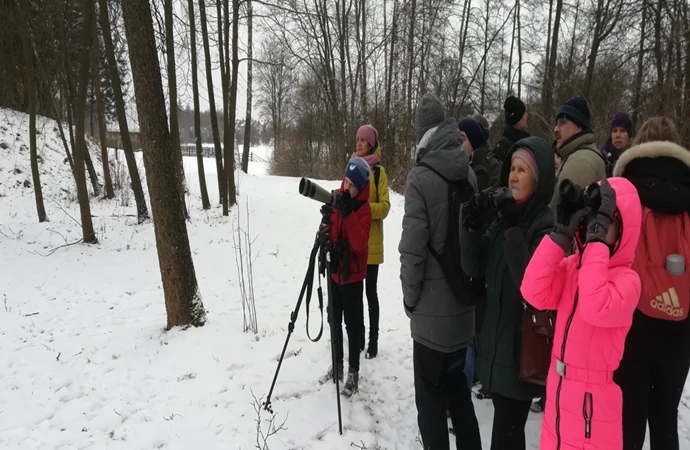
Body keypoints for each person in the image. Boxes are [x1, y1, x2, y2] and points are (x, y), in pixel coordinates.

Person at [521, 177, 642, 450]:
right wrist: (560, 235)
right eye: (590, 221)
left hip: (593, 416)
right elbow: (532, 291)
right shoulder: (574, 269)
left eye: (604, 221)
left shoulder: (628, 282)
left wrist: (595, 242)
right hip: (558, 404)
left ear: (624, 229)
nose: (592, 228)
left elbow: (594, 305)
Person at [461, 136, 555, 450]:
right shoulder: (503, 221)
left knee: (507, 433)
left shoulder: (545, 226)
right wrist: (471, 223)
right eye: (512, 168)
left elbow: (532, 284)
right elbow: (473, 266)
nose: (513, 176)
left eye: (522, 170)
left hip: (521, 353)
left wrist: (513, 226)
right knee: (506, 433)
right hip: (496, 349)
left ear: (539, 180)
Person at [399, 93, 481, 450]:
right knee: (459, 392)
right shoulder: (470, 174)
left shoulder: (419, 178)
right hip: (463, 309)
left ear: (422, 134)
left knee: (430, 403)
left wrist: (410, 299)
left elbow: (412, 250)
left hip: (431, 318)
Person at [612, 116, 690, 450]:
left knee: (627, 423)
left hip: (630, 325)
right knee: (664, 420)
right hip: (679, 328)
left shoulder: (622, 191)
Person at [320, 157, 372, 397]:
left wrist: (349, 214)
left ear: (361, 188)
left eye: (353, 185)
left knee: (352, 324)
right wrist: (325, 223)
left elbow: (360, 243)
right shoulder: (336, 199)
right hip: (334, 272)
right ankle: (337, 364)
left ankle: (353, 371)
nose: (347, 187)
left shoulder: (363, 209)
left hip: (352, 277)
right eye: (346, 181)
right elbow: (325, 232)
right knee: (334, 319)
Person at [458, 117, 501, 398]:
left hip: (483, 255)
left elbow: (491, 215)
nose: (459, 143)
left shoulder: (486, 169)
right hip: (472, 253)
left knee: (477, 325)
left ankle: (473, 380)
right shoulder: (469, 166)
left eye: (462, 137)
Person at [352, 124, 390, 359]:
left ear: (371, 144)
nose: (358, 143)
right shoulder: (352, 166)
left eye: (363, 140)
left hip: (372, 244)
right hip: (354, 241)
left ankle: (373, 341)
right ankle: (358, 336)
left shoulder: (378, 172)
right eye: (357, 139)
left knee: (370, 294)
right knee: (355, 295)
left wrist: (364, 208)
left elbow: (385, 207)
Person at [550, 96, 607, 210]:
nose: (556, 129)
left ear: (579, 126)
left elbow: (557, 216)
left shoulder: (580, 161)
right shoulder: (577, 155)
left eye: (563, 122)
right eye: (557, 123)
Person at [494, 96, 530, 162]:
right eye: (524, 112)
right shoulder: (504, 147)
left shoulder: (524, 141)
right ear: (518, 119)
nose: (526, 115)